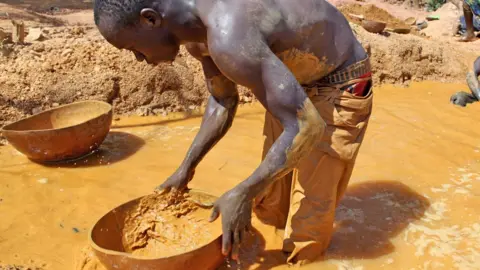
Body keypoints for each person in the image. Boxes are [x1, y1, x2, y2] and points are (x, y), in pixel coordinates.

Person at [94, 0, 373, 265]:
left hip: (341, 81)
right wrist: (187, 167)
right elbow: (222, 100)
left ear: (151, 19)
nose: (139, 59)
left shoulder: (228, 34)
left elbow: (305, 126)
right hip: (290, 84)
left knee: (307, 225)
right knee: (272, 205)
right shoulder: (196, 36)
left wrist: (243, 193)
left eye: (133, 48)